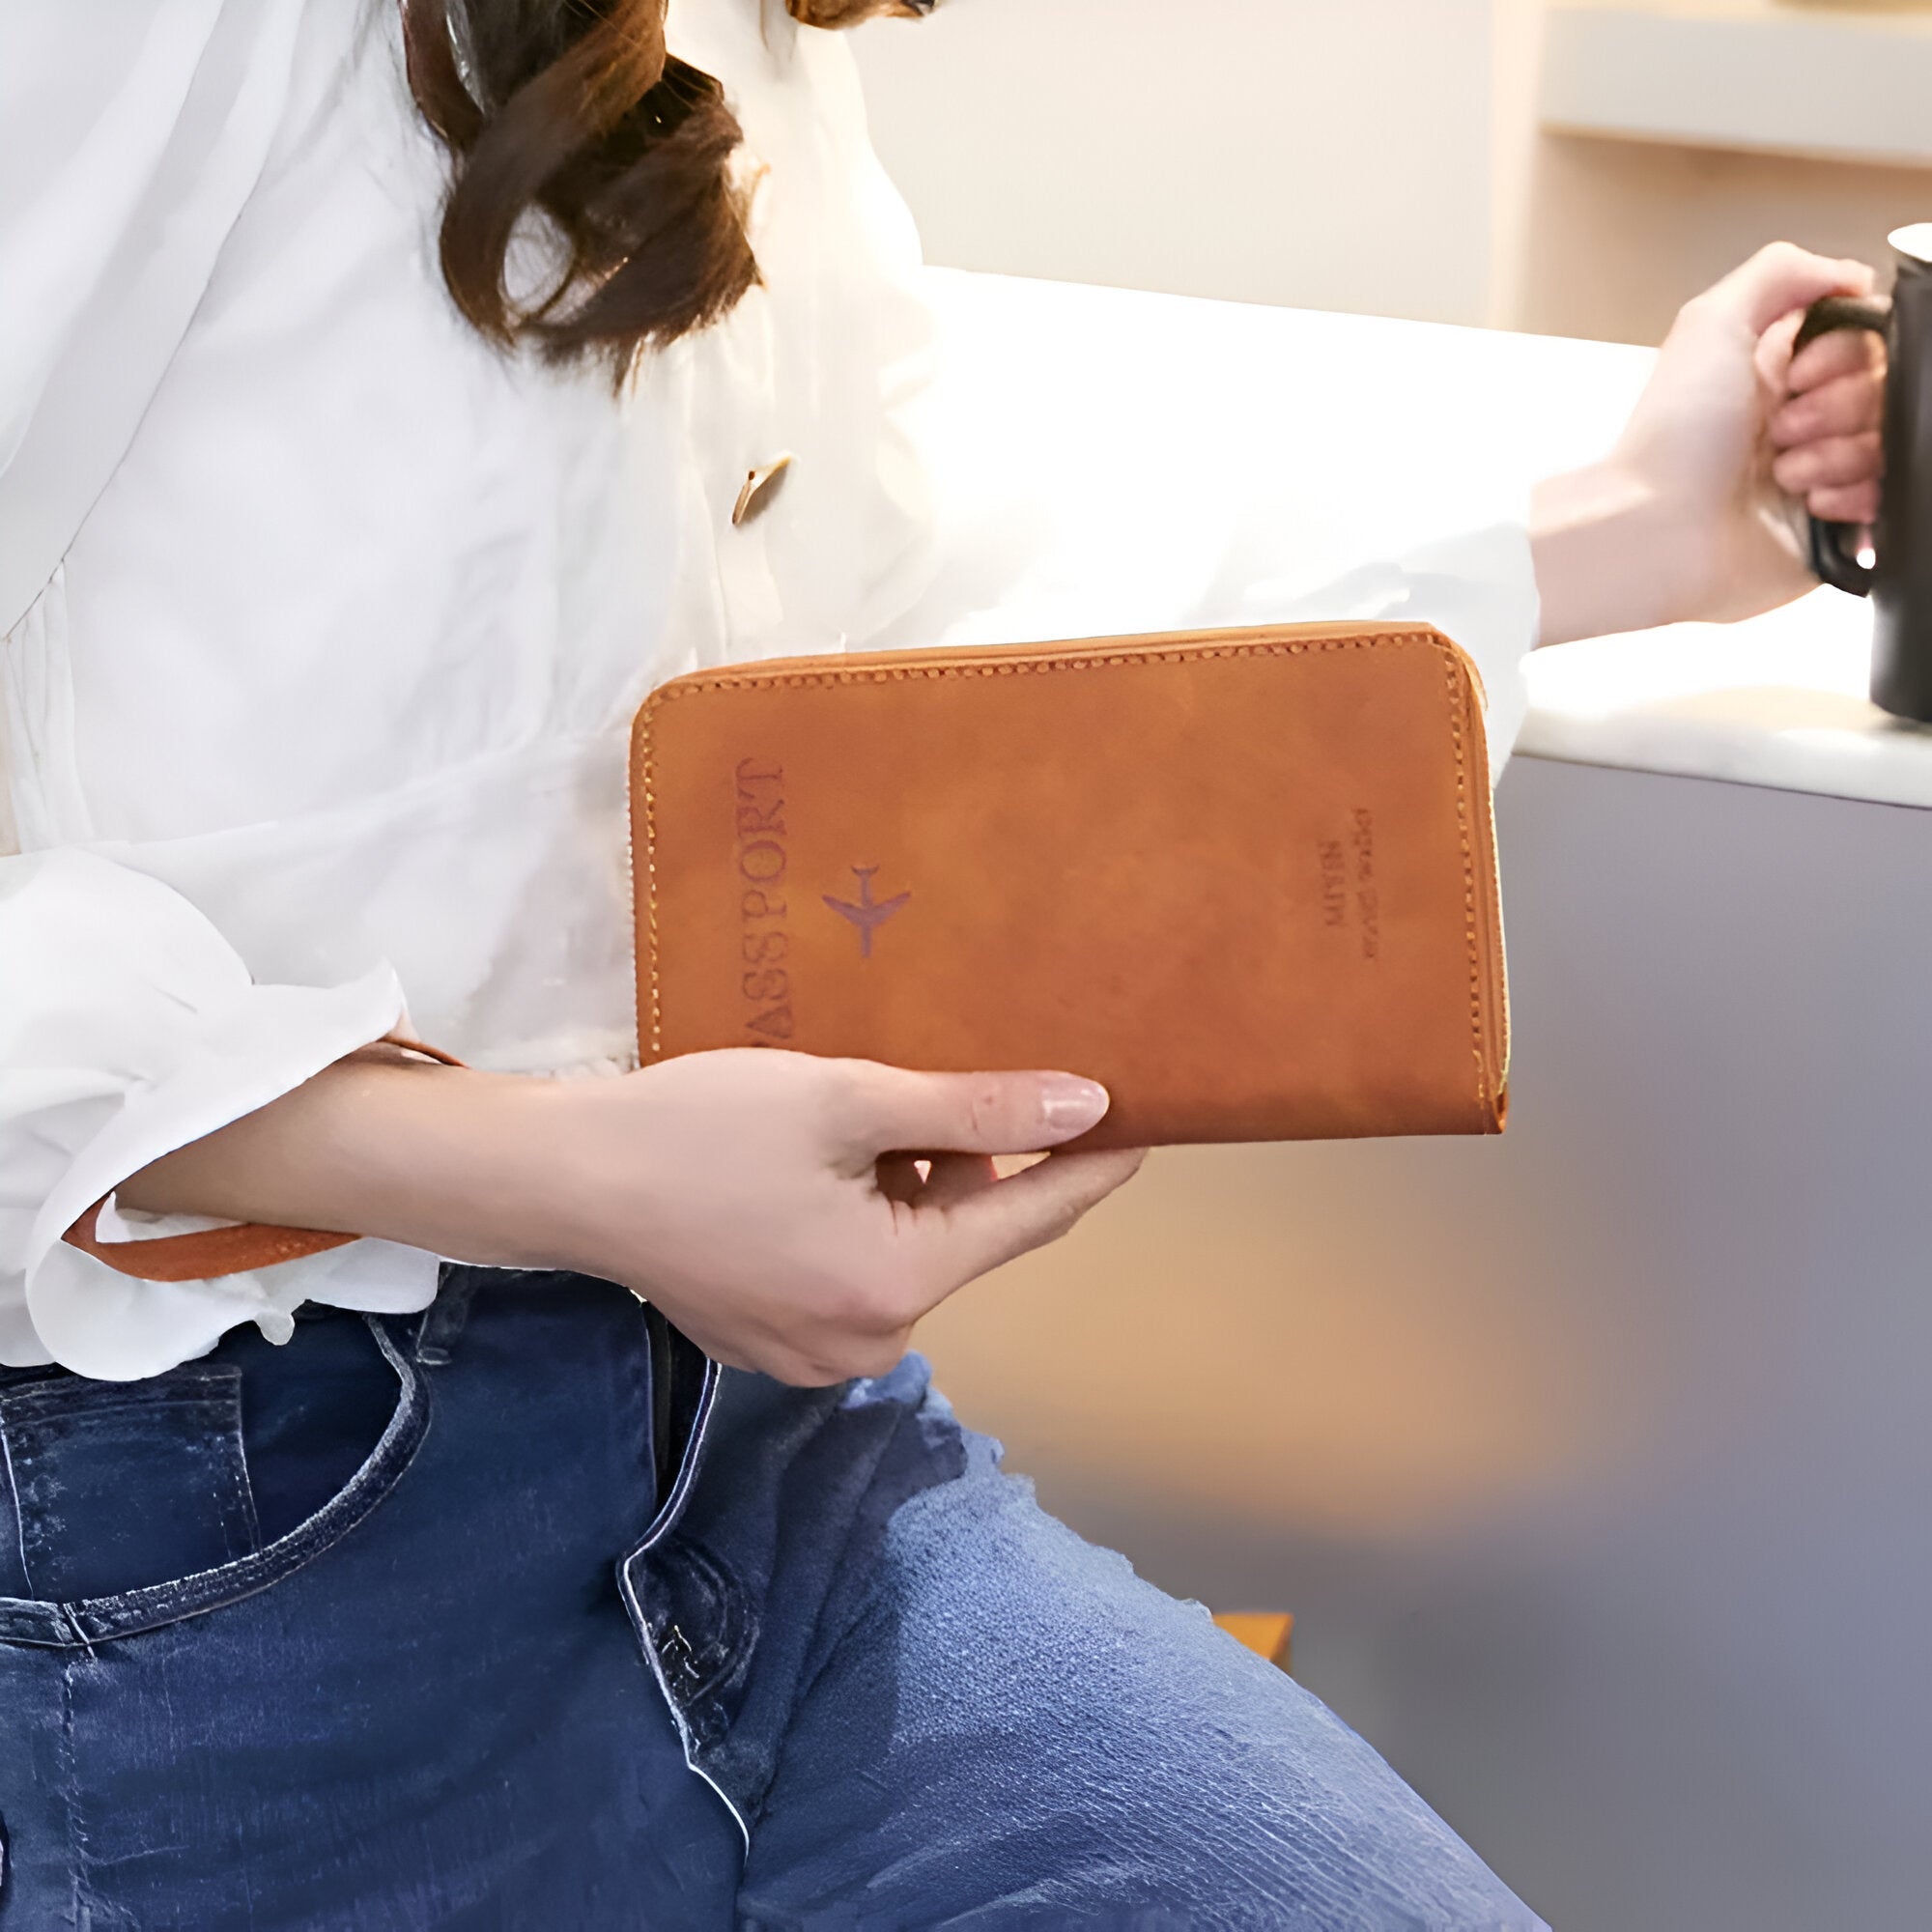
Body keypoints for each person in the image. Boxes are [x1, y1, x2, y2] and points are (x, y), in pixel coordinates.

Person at [0, 1, 1883, 1924]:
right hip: (228, 1515)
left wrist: (1627, 531)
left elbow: (865, 616)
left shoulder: (727, 33)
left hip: (756, 1455)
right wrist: (549, 1174)